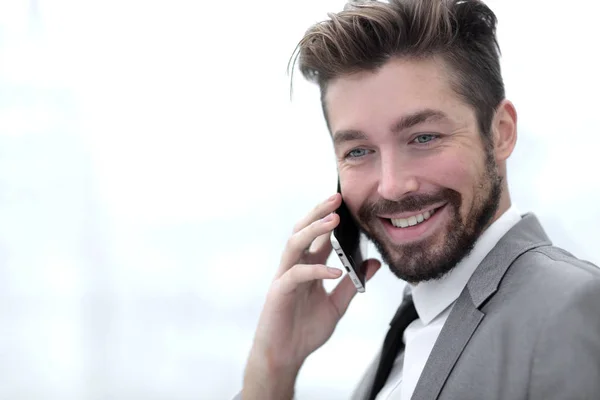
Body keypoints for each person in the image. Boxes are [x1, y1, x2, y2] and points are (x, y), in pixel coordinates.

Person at [235, 0, 600, 399]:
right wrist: (272, 371)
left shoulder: (571, 309)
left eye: (423, 137)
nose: (391, 186)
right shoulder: (398, 354)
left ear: (500, 133)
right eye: (358, 151)